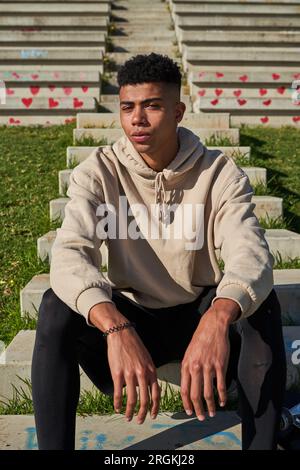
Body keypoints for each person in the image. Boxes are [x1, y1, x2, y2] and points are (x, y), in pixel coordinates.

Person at [31, 53, 286, 450]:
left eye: (152, 106)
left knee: (260, 302)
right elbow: (69, 255)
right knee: (54, 305)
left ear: (178, 111)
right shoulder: (98, 171)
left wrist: (219, 316)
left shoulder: (218, 173)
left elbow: (250, 254)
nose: (138, 119)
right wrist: (115, 326)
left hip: (199, 321)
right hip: (129, 321)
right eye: (128, 107)